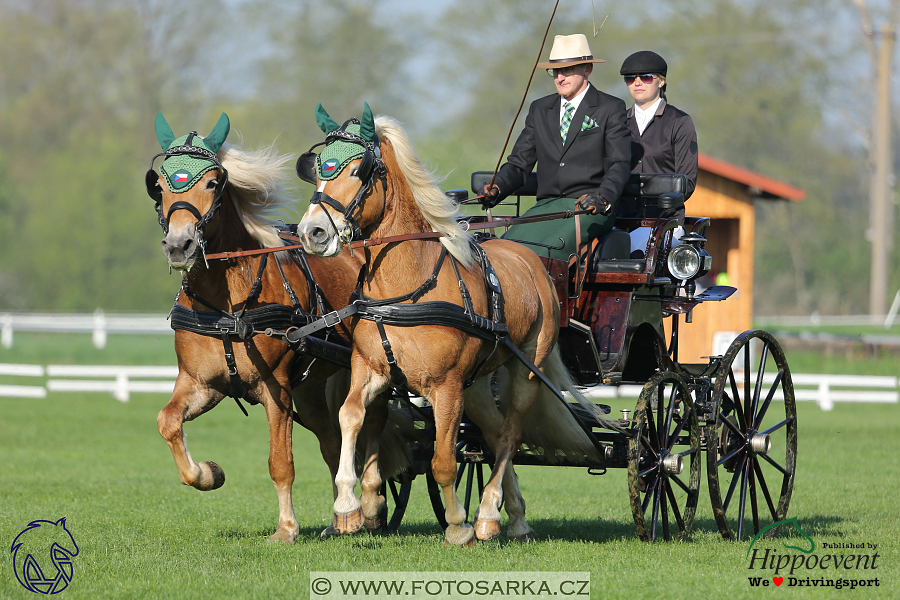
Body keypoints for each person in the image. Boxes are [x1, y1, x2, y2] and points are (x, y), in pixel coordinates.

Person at [482, 34, 631, 262]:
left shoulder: (611, 107)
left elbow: (619, 163)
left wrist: (602, 198)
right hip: (545, 208)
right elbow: (519, 163)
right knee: (502, 254)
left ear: (587, 69)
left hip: (588, 208)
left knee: (541, 255)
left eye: (568, 70)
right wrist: (497, 187)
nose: (560, 77)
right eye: (555, 71)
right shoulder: (540, 109)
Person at [620, 50, 698, 212]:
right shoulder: (617, 122)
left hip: (664, 220)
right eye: (630, 78)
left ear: (661, 81)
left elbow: (687, 181)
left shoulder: (680, 122)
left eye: (646, 77)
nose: (637, 82)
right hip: (621, 218)